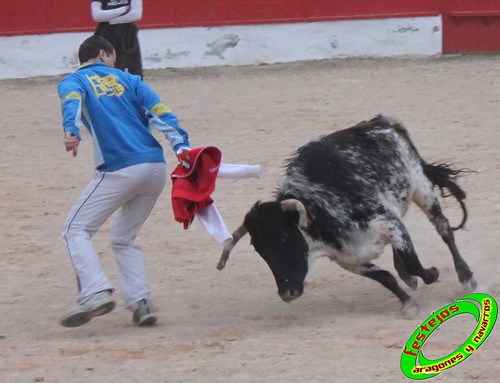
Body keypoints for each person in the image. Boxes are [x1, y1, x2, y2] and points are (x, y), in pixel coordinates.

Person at [57, 35, 190, 327]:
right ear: (103, 54)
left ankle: (94, 291)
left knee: (74, 230)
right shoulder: (131, 81)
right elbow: (161, 113)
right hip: (154, 168)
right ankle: (141, 302)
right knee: (122, 237)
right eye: (113, 58)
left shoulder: (73, 81)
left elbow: (72, 102)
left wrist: (71, 130)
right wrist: (182, 148)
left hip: (120, 168)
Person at [91, 0, 144, 78]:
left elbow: (136, 14)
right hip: (106, 33)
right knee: (106, 64)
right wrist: (122, 10)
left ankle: (135, 88)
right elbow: (97, 16)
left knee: (133, 65)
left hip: (128, 34)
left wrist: (112, 20)